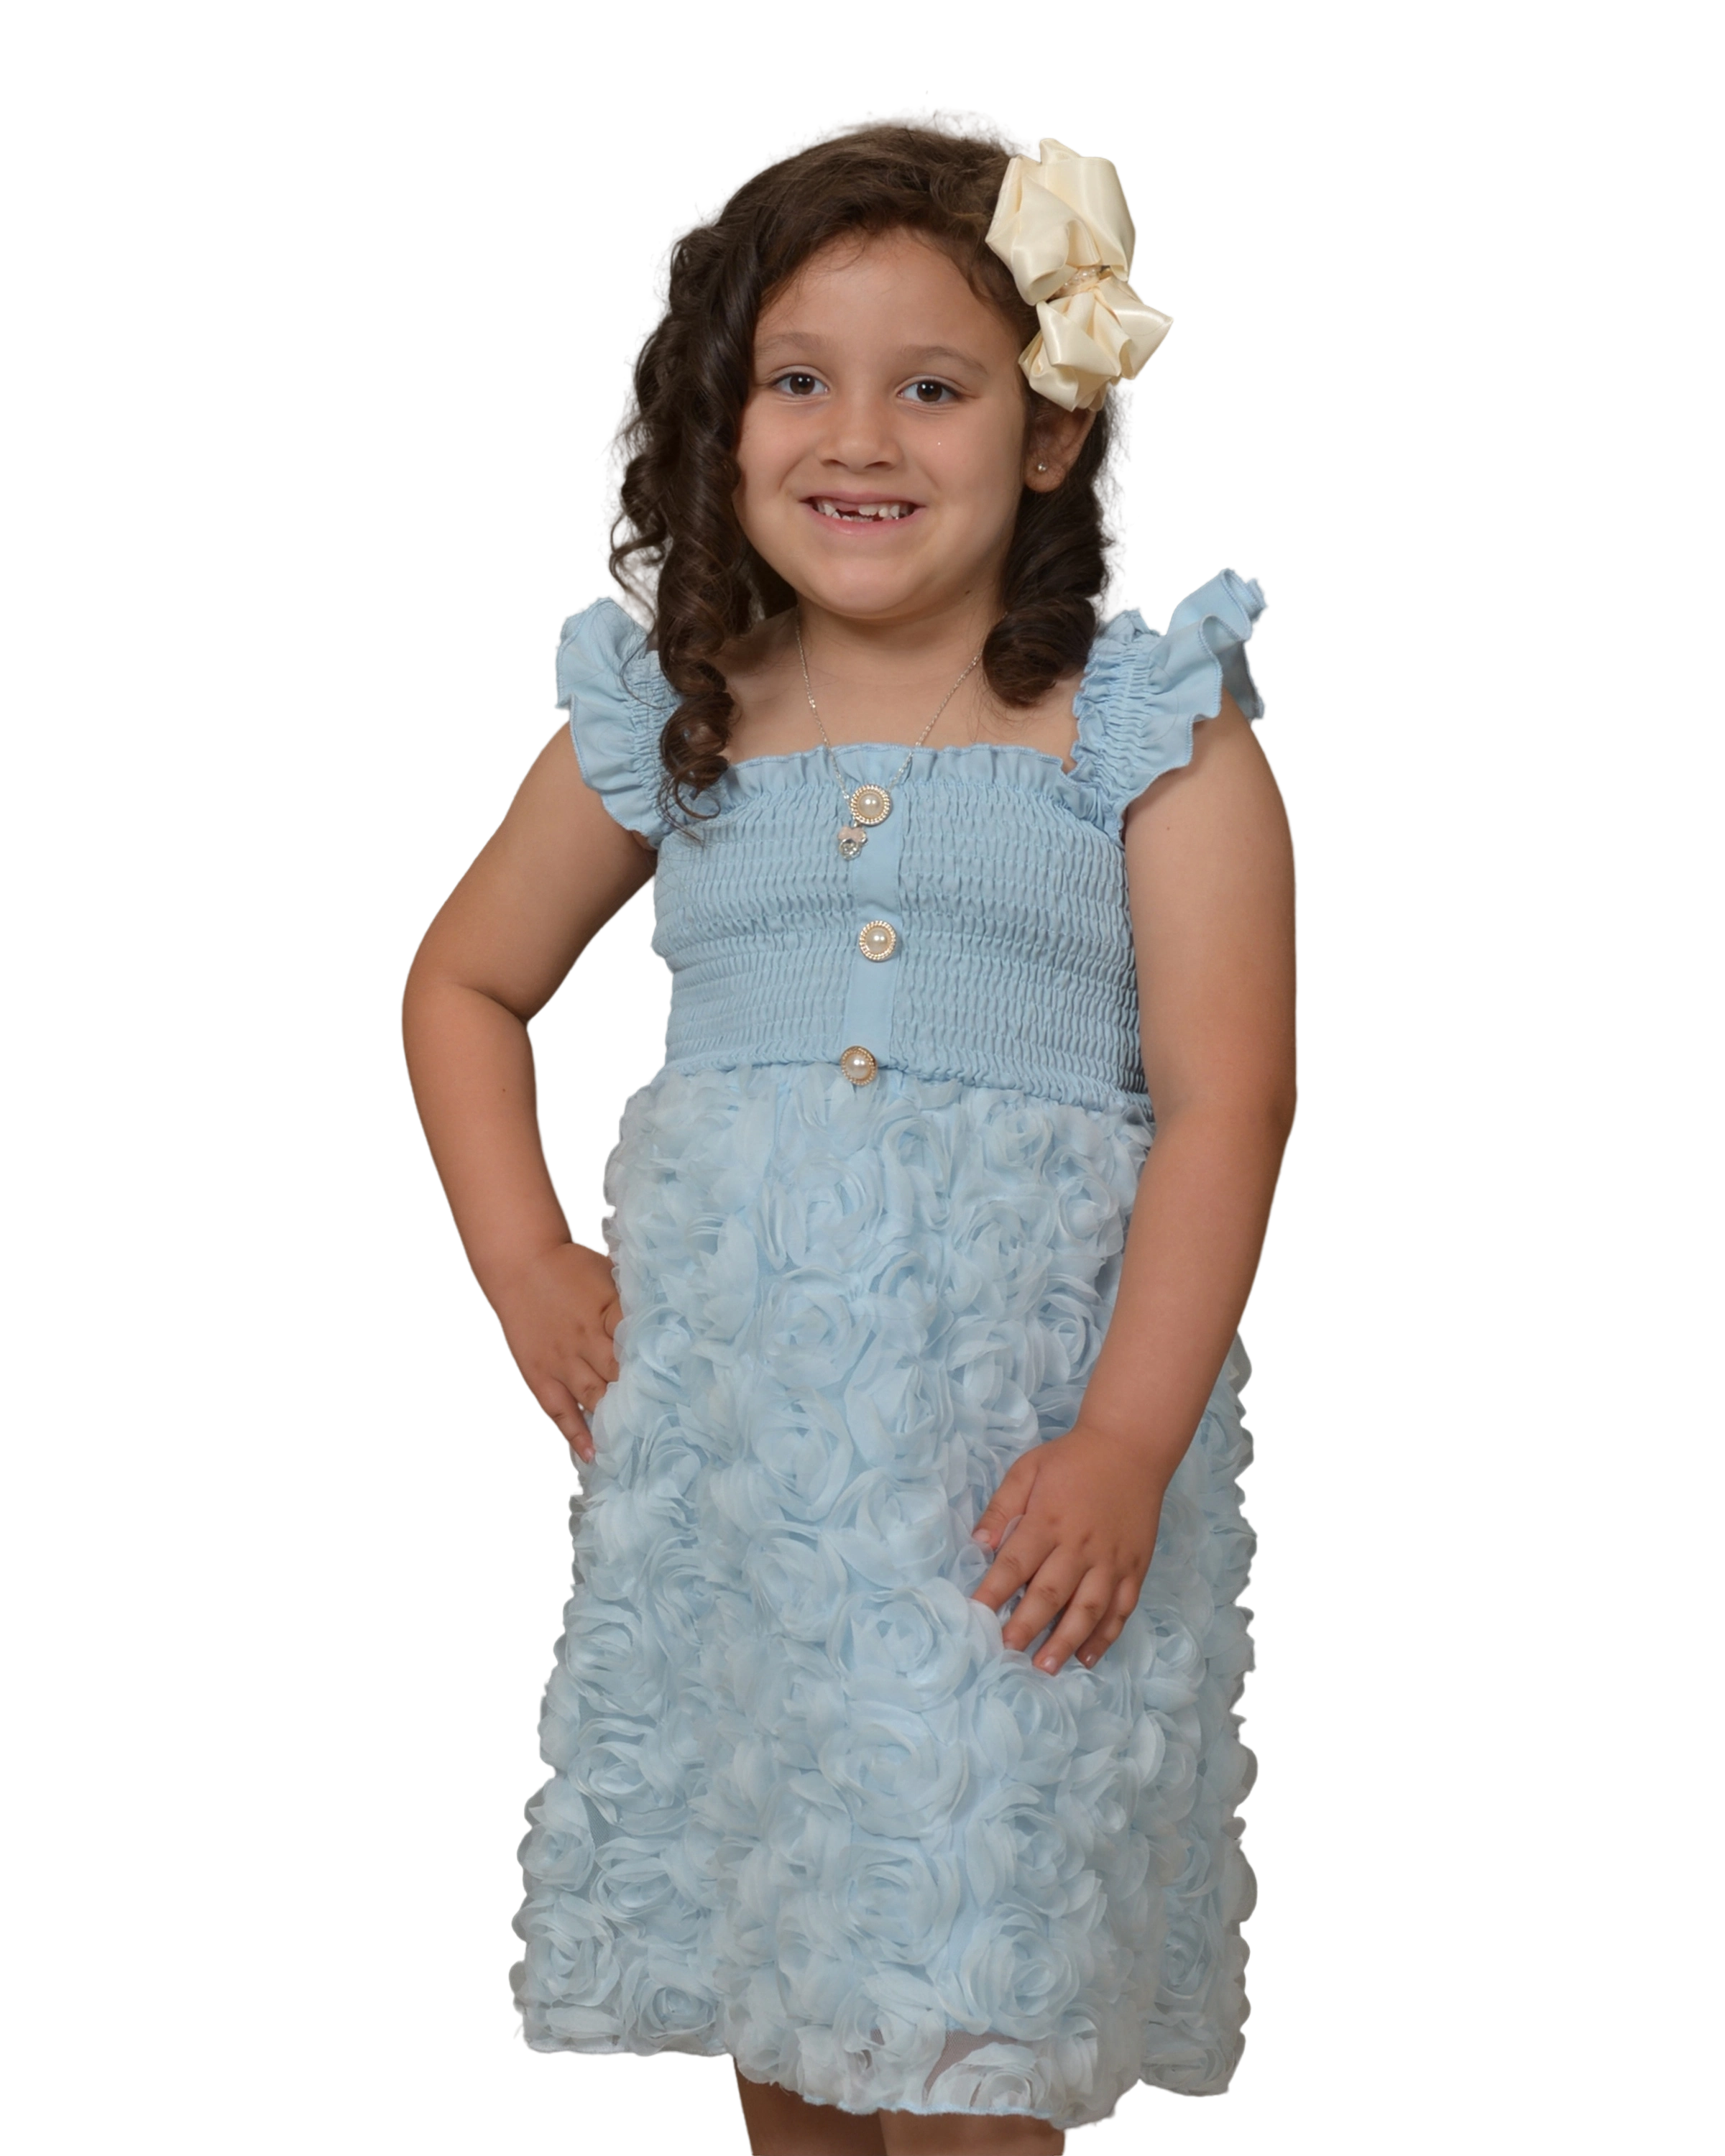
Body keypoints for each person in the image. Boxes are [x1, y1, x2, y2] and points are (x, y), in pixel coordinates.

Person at [398, 101, 1297, 2156]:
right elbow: (464, 984)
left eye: (934, 388)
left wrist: (1126, 1442)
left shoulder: (1148, 729)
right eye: (797, 381)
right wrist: (529, 1261)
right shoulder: (675, 705)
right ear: (720, 419)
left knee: (985, 1991)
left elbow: (1230, 1108)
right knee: (789, 1966)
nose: (858, 439)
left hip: (1023, 1490)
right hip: (754, 1474)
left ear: (1050, 430)